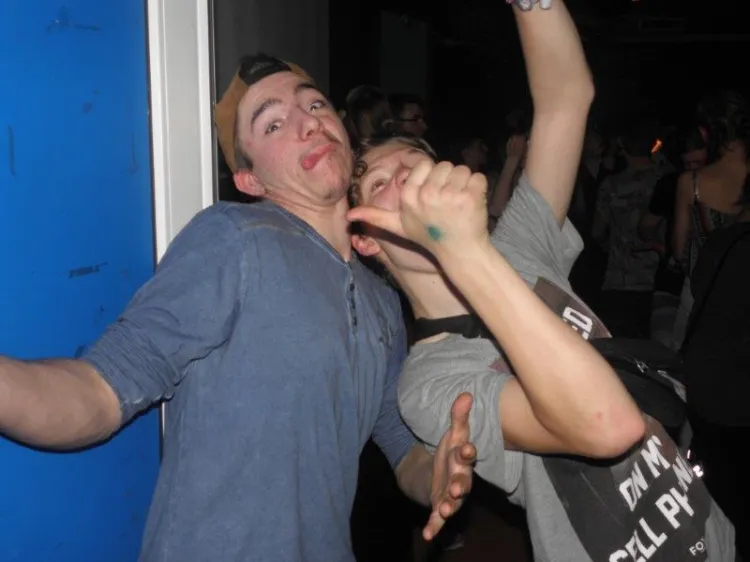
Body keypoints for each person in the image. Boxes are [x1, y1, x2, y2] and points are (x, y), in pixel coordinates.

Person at [0, 54, 476, 562]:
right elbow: (101, 389)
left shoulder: (380, 301)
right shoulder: (234, 239)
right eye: (273, 124)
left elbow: (399, 444)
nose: (308, 122)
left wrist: (435, 474)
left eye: (315, 104)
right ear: (250, 180)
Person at [346, 1, 736, 560]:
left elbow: (565, 98)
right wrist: (463, 251)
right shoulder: (430, 381)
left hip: (710, 535)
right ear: (366, 239)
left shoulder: (517, 246)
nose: (404, 177)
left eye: (413, 162)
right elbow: (606, 426)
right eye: (381, 183)